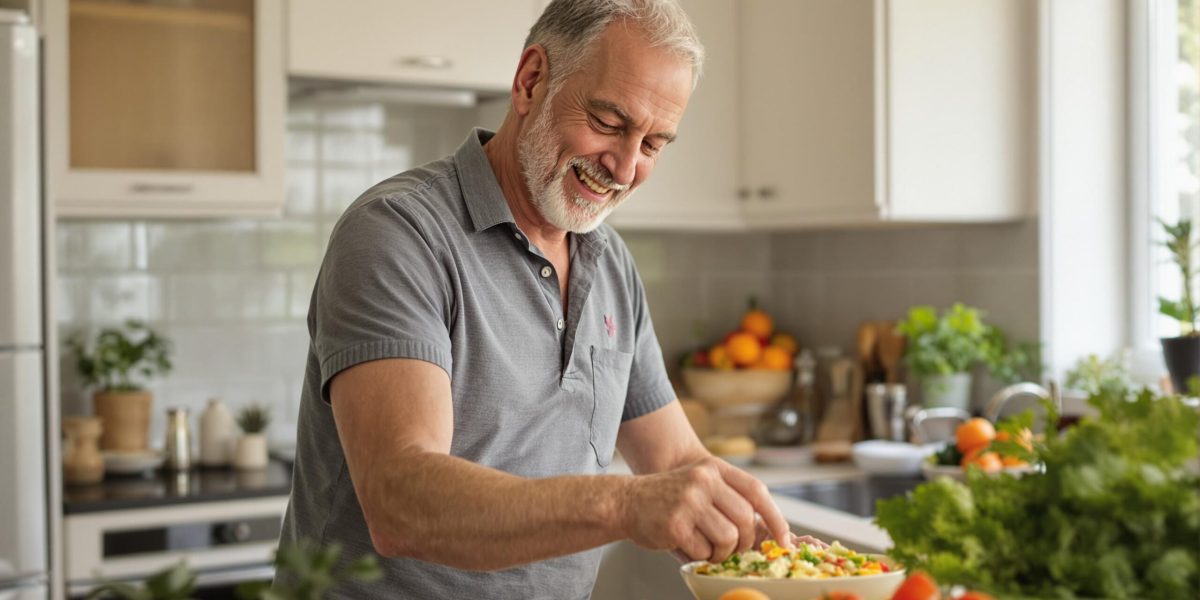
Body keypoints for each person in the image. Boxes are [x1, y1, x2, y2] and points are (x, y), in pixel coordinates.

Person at [278, 1, 805, 597]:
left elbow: (675, 460)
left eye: (654, 144)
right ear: (531, 81)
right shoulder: (398, 232)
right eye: (609, 122)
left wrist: (779, 556)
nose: (626, 167)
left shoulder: (610, 265)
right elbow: (401, 501)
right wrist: (627, 505)